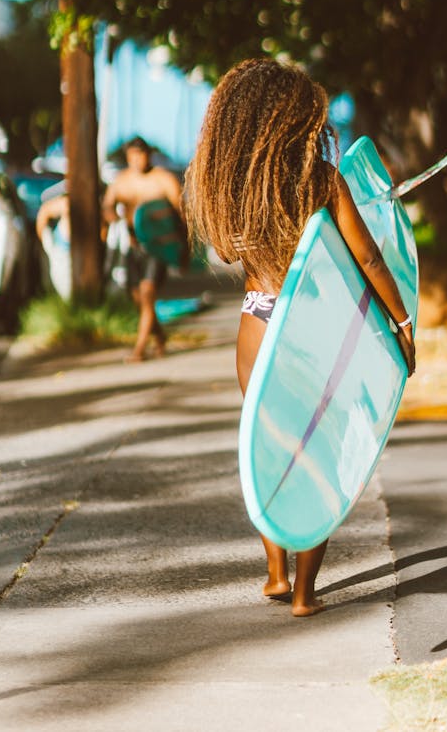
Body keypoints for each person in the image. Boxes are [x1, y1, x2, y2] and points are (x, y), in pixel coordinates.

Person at [184, 58, 416, 617]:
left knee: (270, 443)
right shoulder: (320, 181)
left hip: (258, 323)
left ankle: (274, 574)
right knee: (319, 450)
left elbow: (227, 253)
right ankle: (306, 595)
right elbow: (368, 259)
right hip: (310, 326)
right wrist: (402, 324)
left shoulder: (238, 190)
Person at [102, 136, 185, 362]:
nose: (137, 161)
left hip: (157, 247)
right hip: (133, 246)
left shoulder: (163, 180)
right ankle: (159, 337)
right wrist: (112, 217)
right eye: (132, 157)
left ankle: (139, 349)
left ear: (148, 155)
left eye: (141, 155)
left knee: (148, 293)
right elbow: (108, 206)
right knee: (138, 298)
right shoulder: (122, 181)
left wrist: (183, 249)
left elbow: (181, 214)